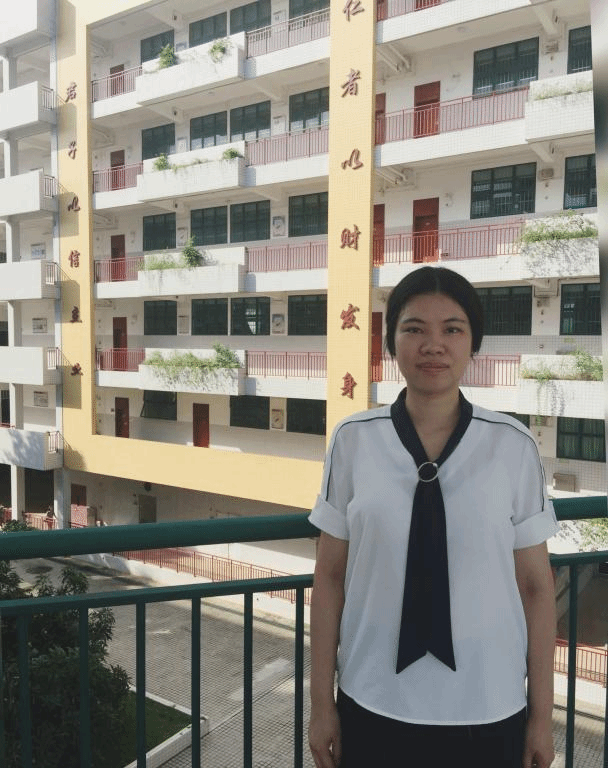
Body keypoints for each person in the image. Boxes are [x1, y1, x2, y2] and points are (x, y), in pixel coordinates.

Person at [308, 266, 558, 768]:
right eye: (414, 328)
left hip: (489, 706)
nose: (433, 345)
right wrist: (320, 706)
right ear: (391, 342)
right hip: (372, 699)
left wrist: (541, 718)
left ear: (473, 343)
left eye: (452, 329)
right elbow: (330, 577)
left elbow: (536, 587)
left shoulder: (513, 446)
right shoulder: (353, 440)